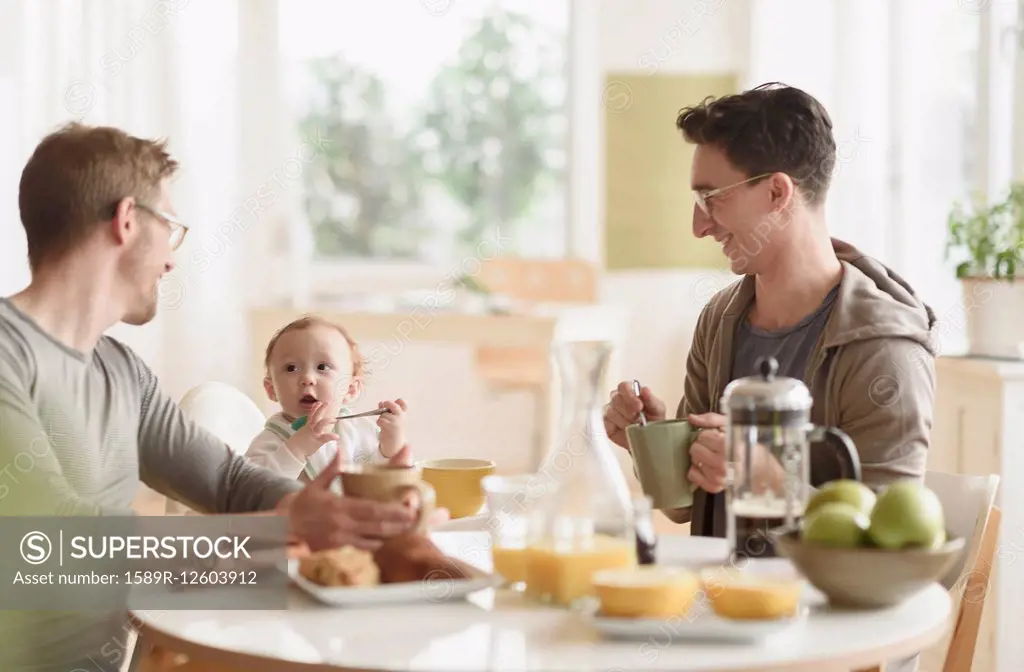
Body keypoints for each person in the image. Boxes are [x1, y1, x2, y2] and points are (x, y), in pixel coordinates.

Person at [0, 122, 421, 671]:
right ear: (127, 221)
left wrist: (332, 513)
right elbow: (53, 545)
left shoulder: (121, 371)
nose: (173, 260)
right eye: (170, 228)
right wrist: (280, 536)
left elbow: (227, 481)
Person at [603, 83, 937, 541]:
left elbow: (891, 542)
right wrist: (654, 444)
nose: (699, 226)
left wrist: (773, 480)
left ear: (778, 192)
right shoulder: (720, 320)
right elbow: (689, 507)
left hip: (821, 610)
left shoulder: (885, 350)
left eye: (711, 198)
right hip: (717, 602)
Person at [247, 315, 407, 481]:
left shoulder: (359, 431)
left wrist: (392, 447)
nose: (307, 378)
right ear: (271, 389)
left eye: (322, 367)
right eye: (291, 368)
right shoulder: (271, 440)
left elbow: (387, 484)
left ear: (350, 389)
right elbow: (250, 489)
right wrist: (298, 448)